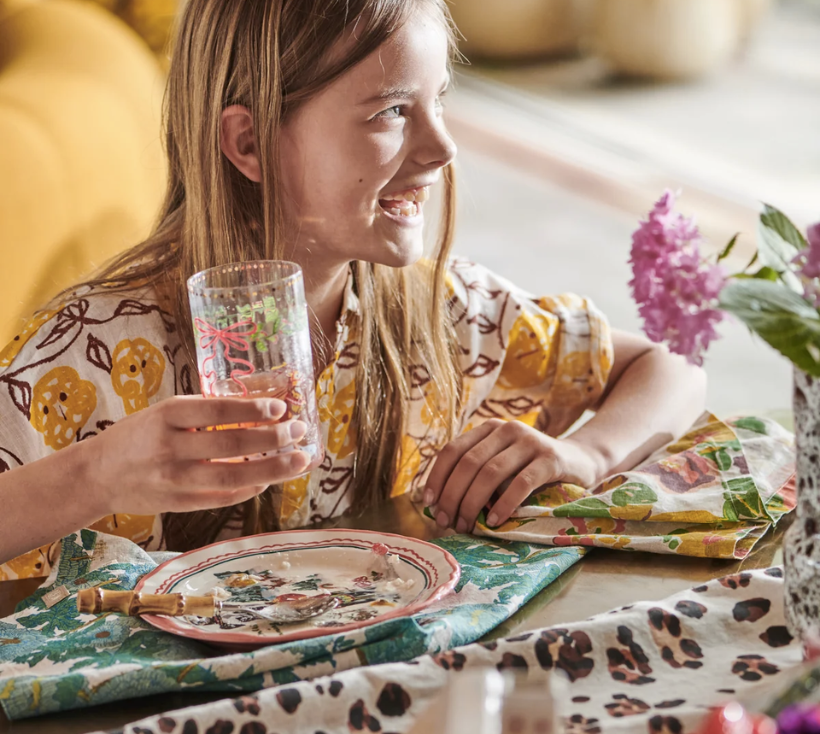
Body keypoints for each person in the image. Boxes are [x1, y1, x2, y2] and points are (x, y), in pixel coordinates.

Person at [0, 0, 706, 581]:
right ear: (247, 144)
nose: (442, 148)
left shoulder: (443, 316)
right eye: (391, 112)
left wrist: (589, 456)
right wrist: (92, 475)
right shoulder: (89, 353)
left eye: (439, 103)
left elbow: (667, 367)